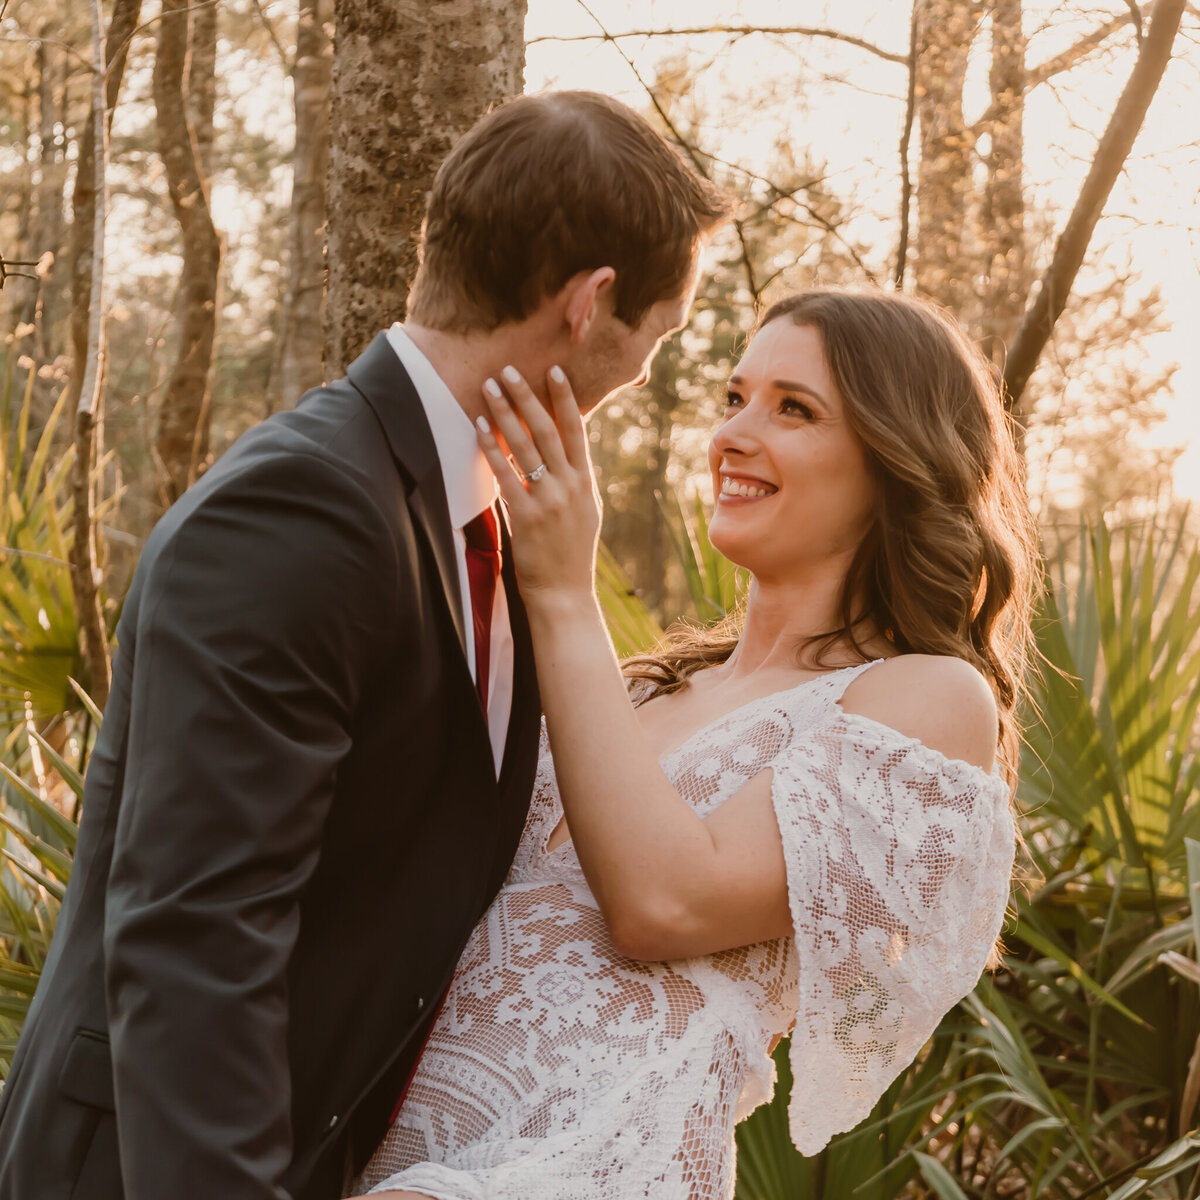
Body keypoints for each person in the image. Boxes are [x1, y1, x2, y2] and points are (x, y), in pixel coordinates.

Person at [0, 91, 731, 1200]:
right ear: (592, 304)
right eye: (660, 338)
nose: (643, 377)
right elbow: (198, 939)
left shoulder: (493, 527)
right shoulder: (302, 507)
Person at [349, 288, 1038, 1199]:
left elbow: (665, 905)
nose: (734, 435)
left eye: (795, 409)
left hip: (594, 1167)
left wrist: (561, 592)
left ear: (894, 459)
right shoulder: (635, 688)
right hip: (374, 1156)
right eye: (734, 397)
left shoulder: (925, 697)